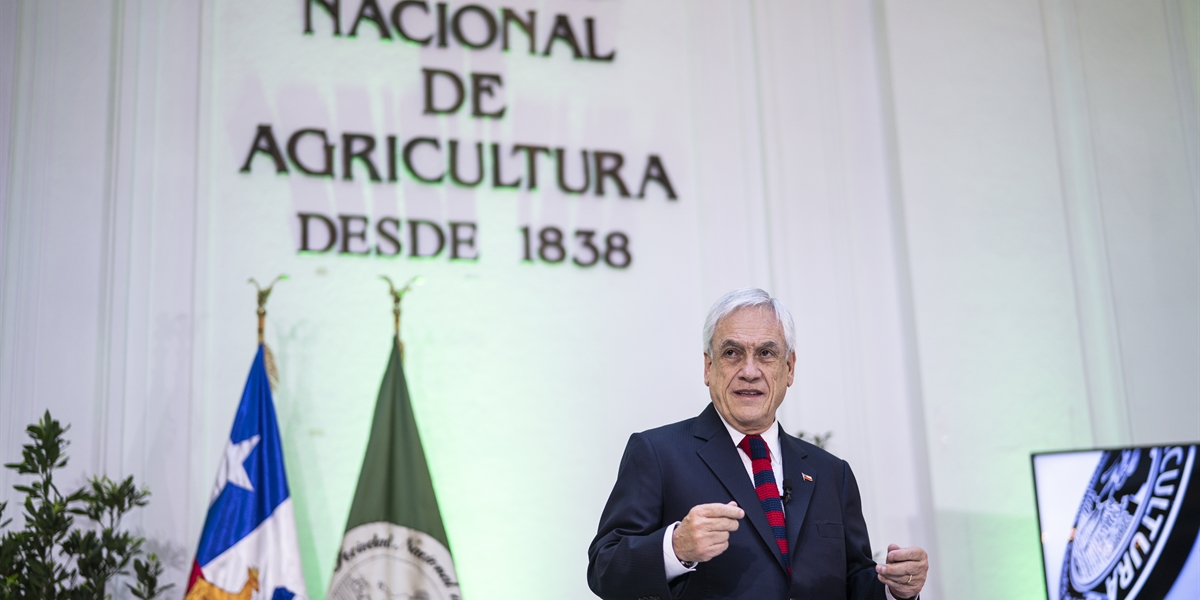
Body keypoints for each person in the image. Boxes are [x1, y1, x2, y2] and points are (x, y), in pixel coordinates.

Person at [587, 288, 928, 599]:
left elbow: (855, 582)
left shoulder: (831, 473)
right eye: (732, 353)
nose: (749, 371)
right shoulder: (658, 453)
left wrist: (896, 590)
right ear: (708, 367)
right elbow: (604, 570)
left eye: (766, 353)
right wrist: (676, 547)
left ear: (789, 368)